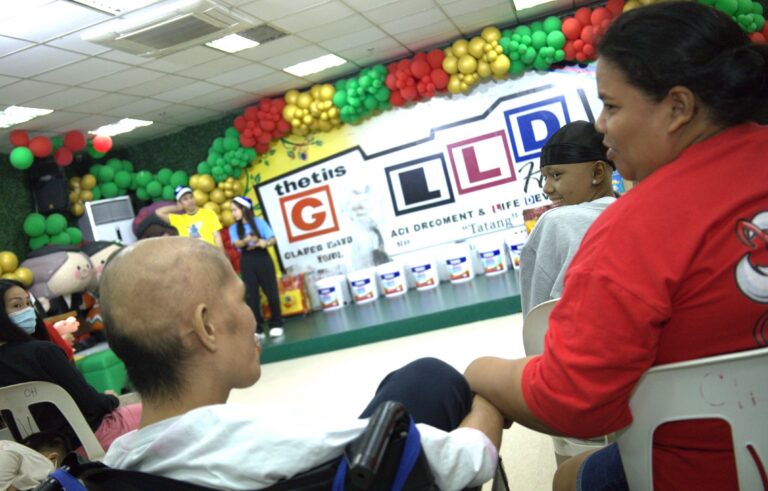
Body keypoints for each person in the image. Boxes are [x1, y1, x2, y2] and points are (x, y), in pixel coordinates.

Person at [465, 3, 768, 490]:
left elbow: (574, 401)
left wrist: (479, 373)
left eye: (611, 106)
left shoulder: (636, 228)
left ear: (678, 108)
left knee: (567, 479)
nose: (601, 126)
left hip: (710, 471)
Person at [99, 236, 503, 490]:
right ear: (207, 327)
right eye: (242, 299)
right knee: (435, 376)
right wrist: (489, 400)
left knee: (416, 379)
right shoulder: (277, 442)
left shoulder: (114, 466)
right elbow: (469, 459)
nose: (252, 315)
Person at [0, 279, 142, 452]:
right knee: (158, 412)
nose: (28, 310)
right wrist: (111, 399)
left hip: (41, 454)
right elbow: (92, 404)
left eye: (28, 303)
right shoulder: (43, 352)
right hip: (89, 439)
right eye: (17, 305)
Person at [520, 121, 617, 316]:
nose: (547, 188)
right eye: (545, 178)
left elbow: (537, 315)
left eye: (556, 175)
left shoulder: (555, 222)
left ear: (597, 172)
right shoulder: (635, 212)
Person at [229, 196, 284, 338]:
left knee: (271, 291)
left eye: (235, 210)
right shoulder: (233, 228)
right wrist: (247, 240)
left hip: (263, 258)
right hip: (247, 260)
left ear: (244, 209)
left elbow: (273, 239)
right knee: (251, 295)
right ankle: (257, 328)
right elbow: (236, 244)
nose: (233, 213)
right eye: (232, 211)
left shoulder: (259, 222)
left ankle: (276, 323)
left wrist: (264, 242)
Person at [155, 186, 223, 249]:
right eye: (185, 199)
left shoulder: (208, 213)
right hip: (190, 255)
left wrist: (221, 253)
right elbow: (159, 212)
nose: (190, 201)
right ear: (180, 203)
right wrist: (177, 208)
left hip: (210, 252)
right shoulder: (179, 219)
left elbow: (217, 236)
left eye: (191, 197)